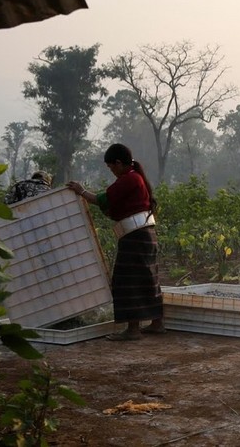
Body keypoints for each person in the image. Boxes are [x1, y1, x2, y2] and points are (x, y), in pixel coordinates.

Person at [67, 143, 165, 341]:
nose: (112, 171)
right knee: (148, 278)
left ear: (119, 163)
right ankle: (157, 323)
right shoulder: (137, 178)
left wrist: (81, 191)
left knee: (126, 280)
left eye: (112, 167)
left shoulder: (129, 179)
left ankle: (133, 329)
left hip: (134, 237)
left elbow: (103, 200)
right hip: (145, 235)